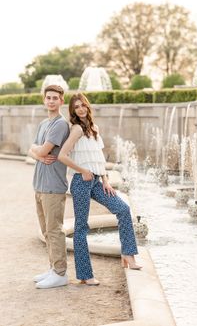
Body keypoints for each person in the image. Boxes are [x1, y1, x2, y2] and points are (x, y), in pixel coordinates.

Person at [58, 93, 141, 286]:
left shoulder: (94, 128)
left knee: (122, 209)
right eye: (76, 106)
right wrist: (82, 170)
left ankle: (128, 255)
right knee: (81, 227)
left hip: (96, 181)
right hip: (81, 181)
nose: (80, 109)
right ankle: (85, 275)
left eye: (83, 105)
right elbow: (62, 155)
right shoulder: (76, 129)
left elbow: (98, 158)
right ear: (73, 110)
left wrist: (105, 180)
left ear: (88, 107)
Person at [28, 84, 70, 289]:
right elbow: (32, 150)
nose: (51, 101)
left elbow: (43, 150)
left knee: (54, 230)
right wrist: (38, 152)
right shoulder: (44, 123)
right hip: (40, 185)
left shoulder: (60, 124)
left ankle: (61, 273)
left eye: (55, 98)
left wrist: (38, 151)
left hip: (53, 186)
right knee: (46, 230)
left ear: (61, 101)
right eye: (48, 98)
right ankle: (52, 268)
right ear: (44, 100)